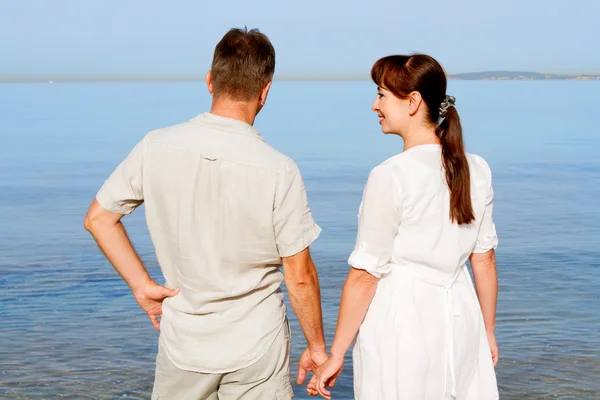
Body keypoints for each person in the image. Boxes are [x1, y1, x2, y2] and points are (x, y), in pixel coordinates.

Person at [84, 27, 328, 399]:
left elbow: (99, 218)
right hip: (257, 342)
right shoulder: (279, 169)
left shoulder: (155, 147)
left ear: (210, 80)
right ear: (265, 92)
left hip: (185, 341)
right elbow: (299, 276)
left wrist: (142, 285)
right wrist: (316, 348)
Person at [308, 54, 500, 400]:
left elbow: (366, 275)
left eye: (381, 95)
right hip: (461, 317)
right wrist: (487, 332)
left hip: (404, 321)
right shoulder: (478, 169)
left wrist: (336, 352)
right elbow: (483, 260)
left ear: (413, 102)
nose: (374, 105)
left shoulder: (390, 175)